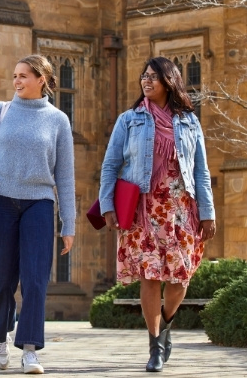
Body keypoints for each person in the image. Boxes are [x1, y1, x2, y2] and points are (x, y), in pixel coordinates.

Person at [99, 56, 216, 372]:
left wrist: (208, 213)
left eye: (153, 76)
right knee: (150, 276)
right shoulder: (130, 120)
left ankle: (164, 326)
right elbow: (110, 165)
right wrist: (107, 206)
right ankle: (155, 346)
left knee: (180, 277)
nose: (146, 81)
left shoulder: (190, 122)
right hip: (143, 209)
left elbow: (201, 171)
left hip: (181, 209)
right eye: (144, 76)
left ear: (169, 81)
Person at [0, 54, 76, 374]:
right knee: (3, 279)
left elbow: (66, 177)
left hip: (39, 205)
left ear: (42, 79)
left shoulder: (58, 120)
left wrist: (68, 223)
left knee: (35, 280)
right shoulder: (0, 112)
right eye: (14, 76)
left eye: (23, 76)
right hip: (0, 204)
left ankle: (30, 349)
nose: (16, 81)